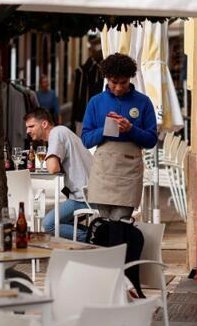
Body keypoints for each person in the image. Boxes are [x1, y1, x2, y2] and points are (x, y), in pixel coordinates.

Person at [81, 52, 158, 221]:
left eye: (123, 82)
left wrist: (131, 129)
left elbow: (152, 140)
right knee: (106, 222)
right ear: (107, 78)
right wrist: (105, 129)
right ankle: (112, 247)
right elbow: (86, 140)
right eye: (114, 82)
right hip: (104, 170)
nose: (118, 87)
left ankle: (117, 247)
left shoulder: (143, 102)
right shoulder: (96, 102)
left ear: (130, 79)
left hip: (129, 172)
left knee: (120, 221)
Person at [24, 107, 94, 241]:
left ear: (44, 124)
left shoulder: (57, 132)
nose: (27, 131)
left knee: (48, 224)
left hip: (84, 197)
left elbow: (53, 168)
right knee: (55, 222)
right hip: (84, 194)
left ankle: (95, 238)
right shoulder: (63, 132)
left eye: (31, 126)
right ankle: (97, 234)